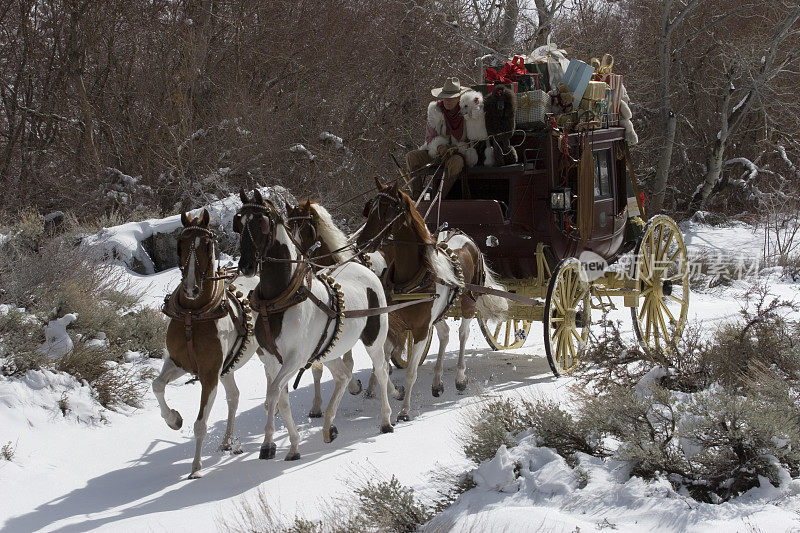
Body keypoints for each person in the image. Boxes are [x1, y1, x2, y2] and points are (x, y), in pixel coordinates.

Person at [406, 77, 469, 198]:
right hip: (436, 153)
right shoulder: (435, 111)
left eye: (451, 98)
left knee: (456, 162)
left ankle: (440, 197)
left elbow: (471, 138)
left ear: (459, 98)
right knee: (412, 156)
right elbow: (430, 137)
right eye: (445, 98)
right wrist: (439, 147)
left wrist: (456, 148)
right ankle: (416, 195)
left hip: (457, 154)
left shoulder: (467, 112)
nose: (447, 101)